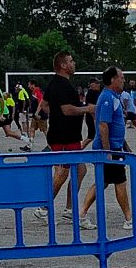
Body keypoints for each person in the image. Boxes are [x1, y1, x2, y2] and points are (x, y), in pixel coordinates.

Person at [37, 52, 94, 217]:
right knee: (62, 173)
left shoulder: (56, 83)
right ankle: (43, 207)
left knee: (80, 170)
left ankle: (69, 209)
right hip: (63, 137)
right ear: (63, 65)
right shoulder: (61, 85)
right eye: (71, 61)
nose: (73, 63)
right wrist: (88, 109)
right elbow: (67, 110)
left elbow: (45, 104)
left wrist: (55, 116)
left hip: (69, 136)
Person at [79, 68, 134, 228]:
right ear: (112, 80)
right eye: (121, 77)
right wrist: (108, 151)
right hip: (109, 150)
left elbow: (116, 127)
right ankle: (129, 219)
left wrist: (126, 147)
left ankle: (82, 214)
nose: (123, 80)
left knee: (101, 182)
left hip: (114, 148)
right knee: (120, 181)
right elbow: (103, 125)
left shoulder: (114, 97)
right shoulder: (107, 98)